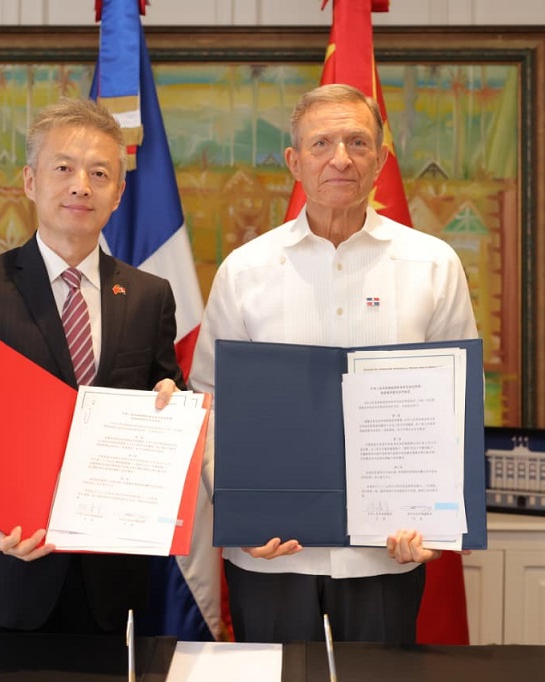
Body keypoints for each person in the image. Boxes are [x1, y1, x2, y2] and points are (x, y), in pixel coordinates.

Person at [189, 84, 479, 644]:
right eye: (321, 143)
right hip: (272, 555)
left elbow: (455, 402)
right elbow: (210, 401)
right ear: (294, 161)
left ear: (381, 160)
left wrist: (438, 518)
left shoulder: (433, 265)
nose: (340, 158)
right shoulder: (245, 270)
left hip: (387, 554)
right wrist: (239, 508)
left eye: (357, 142)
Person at [0, 98, 185, 635]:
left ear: (119, 192)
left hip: (110, 580)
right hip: (3, 568)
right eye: (63, 168)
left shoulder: (150, 296)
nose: (80, 186)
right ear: (30, 180)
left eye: (99, 173)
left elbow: (163, 393)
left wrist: (172, 405)